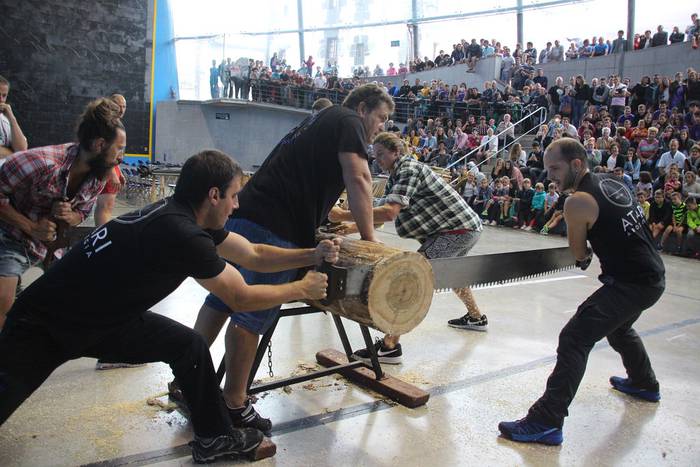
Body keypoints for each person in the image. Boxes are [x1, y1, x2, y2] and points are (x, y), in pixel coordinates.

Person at [0, 149, 339, 462]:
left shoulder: (187, 217)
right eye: (234, 195)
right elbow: (239, 297)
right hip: (45, 322)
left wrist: (311, 254)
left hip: (105, 318)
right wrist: (299, 288)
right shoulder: (181, 233)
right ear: (214, 195)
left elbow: (253, 253)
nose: (236, 205)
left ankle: (213, 438)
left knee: (188, 345)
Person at [186, 84, 391, 434]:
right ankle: (234, 403)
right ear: (362, 109)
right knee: (252, 314)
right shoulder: (348, 122)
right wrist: (372, 242)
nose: (381, 128)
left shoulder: (320, 120)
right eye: (381, 118)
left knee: (221, 298)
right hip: (274, 226)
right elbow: (358, 178)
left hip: (246, 215)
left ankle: (186, 380)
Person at [499, 138, 665, 445]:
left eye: (555, 169)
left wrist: (583, 255)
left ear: (577, 165)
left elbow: (578, 252)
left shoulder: (577, 201)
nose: (549, 176)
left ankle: (546, 421)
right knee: (618, 328)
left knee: (575, 337)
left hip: (632, 282)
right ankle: (644, 383)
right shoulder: (611, 183)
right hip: (652, 275)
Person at [328, 132, 486, 365]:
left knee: (412, 276)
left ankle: (390, 346)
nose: (377, 159)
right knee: (451, 273)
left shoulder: (408, 169)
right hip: (460, 228)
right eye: (375, 155)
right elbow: (379, 217)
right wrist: (347, 228)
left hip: (457, 230)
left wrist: (342, 214)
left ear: (397, 152)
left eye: (381, 154)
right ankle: (476, 317)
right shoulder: (396, 176)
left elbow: (390, 212)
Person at [0, 98, 125, 329]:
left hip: (50, 246)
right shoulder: (40, 163)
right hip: (10, 237)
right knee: (3, 303)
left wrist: (71, 216)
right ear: (99, 145)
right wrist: (30, 226)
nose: (121, 157)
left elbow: (83, 212)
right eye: (119, 149)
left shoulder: (99, 176)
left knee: (81, 299)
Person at [0, 75, 28, 159]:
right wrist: (12, 153)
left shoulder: (4, 119)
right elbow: (18, 154)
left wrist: (12, 119)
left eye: (4, 96)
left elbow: (22, 150)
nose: (1, 99)